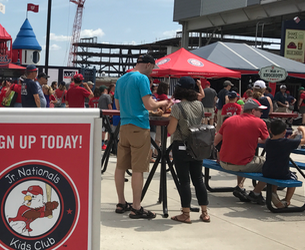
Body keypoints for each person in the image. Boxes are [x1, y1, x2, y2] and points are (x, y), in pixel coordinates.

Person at [114, 54, 171, 218]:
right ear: (147, 65)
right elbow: (149, 105)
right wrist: (163, 103)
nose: (152, 71)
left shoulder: (121, 80)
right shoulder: (142, 79)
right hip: (139, 126)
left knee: (121, 166)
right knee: (138, 169)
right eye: (153, 67)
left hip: (124, 125)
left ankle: (121, 202)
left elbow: (117, 105)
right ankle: (137, 206)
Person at [167, 77, 210, 223]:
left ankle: (185, 214)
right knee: (198, 179)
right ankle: (204, 212)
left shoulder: (177, 107)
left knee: (184, 181)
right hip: (197, 146)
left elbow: (171, 129)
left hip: (181, 145)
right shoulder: (199, 105)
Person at [214, 100, 270, 204]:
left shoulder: (229, 120)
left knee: (244, 157)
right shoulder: (259, 122)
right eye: (260, 111)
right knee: (272, 166)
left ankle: (240, 186)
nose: (262, 114)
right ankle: (256, 193)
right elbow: (269, 142)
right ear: (253, 111)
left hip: (223, 162)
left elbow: (216, 141)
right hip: (242, 164)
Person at [264, 120, 305, 208]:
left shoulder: (269, 141)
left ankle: (273, 192)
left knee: (273, 175)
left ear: (270, 130)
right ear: (284, 131)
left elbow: (283, 142)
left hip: (267, 170)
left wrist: (291, 138)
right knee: (294, 178)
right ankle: (286, 200)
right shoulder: (286, 143)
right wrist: (303, 129)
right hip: (281, 172)